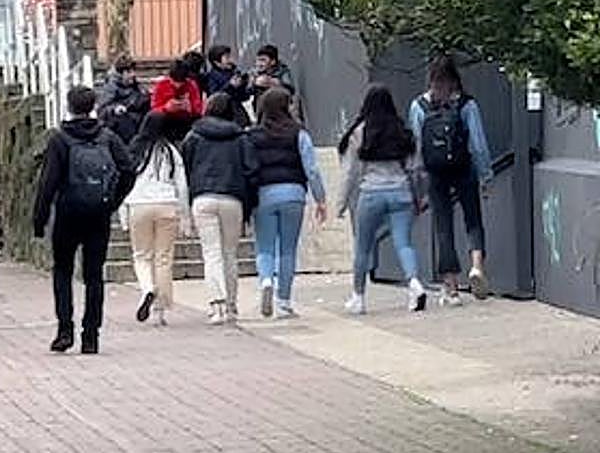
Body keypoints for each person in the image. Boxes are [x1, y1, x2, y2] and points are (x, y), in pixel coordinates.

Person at [33, 86, 136, 355]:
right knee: (94, 275)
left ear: (69, 106)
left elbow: (48, 182)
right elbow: (128, 169)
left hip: (68, 212)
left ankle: (64, 329)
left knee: (63, 271)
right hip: (98, 213)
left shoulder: (59, 138)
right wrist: (113, 200)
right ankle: (91, 335)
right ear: (92, 106)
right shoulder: (107, 137)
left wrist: (40, 218)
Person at [409, 55, 494, 305]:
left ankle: (452, 287)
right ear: (455, 78)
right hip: (463, 168)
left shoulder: (419, 107)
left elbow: (415, 148)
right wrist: (486, 175)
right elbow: (478, 144)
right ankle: (477, 266)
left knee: (443, 226)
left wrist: (418, 185)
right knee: (473, 219)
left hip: (436, 172)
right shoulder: (467, 105)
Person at [337, 85, 428, 315]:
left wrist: (341, 202)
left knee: (363, 247)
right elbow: (416, 169)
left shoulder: (360, 132)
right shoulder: (401, 131)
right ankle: (414, 283)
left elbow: (350, 172)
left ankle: (358, 297)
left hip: (371, 193)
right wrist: (419, 196)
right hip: (401, 193)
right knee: (403, 243)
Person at [248, 88, 329, 318]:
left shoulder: (253, 135)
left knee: (264, 246)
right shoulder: (299, 133)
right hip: (293, 193)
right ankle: (283, 301)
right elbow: (311, 168)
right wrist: (320, 198)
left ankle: (265, 280)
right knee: (287, 249)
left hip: (263, 194)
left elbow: (249, 167)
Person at [181, 93, 258, 325]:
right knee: (229, 254)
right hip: (232, 198)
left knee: (211, 253)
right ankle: (232, 305)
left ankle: (217, 305)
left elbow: (186, 167)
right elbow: (252, 170)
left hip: (203, 197)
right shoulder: (241, 137)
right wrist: (249, 203)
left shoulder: (193, 136)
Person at [121, 112, 192, 327]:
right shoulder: (171, 152)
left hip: (138, 204)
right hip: (167, 204)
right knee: (164, 258)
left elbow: (125, 181)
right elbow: (181, 185)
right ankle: (160, 310)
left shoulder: (134, 150)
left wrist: (123, 212)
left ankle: (147, 289)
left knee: (142, 255)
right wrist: (185, 215)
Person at [96, 56, 151, 145]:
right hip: (121, 128)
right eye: (129, 72)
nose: (133, 74)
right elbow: (102, 110)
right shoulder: (111, 88)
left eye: (133, 71)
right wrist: (115, 109)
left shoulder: (137, 87)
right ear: (120, 73)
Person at [151, 57, 204, 141]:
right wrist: (166, 108)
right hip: (167, 122)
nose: (177, 86)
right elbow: (154, 110)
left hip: (186, 122)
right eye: (175, 82)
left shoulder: (191, 85)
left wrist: (190, 108)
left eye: (181, 82)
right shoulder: (161, 85)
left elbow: (199, 109)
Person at [203, 45, 253, 127]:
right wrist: (230, 86)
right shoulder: (211, 77)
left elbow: (244, 97)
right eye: (227, 57)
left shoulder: (234, 72)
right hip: (221, 118)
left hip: (237, 114)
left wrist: (243, 84)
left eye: (230, 56)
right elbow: (215, 98)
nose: (230, 60)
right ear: (217, 62)